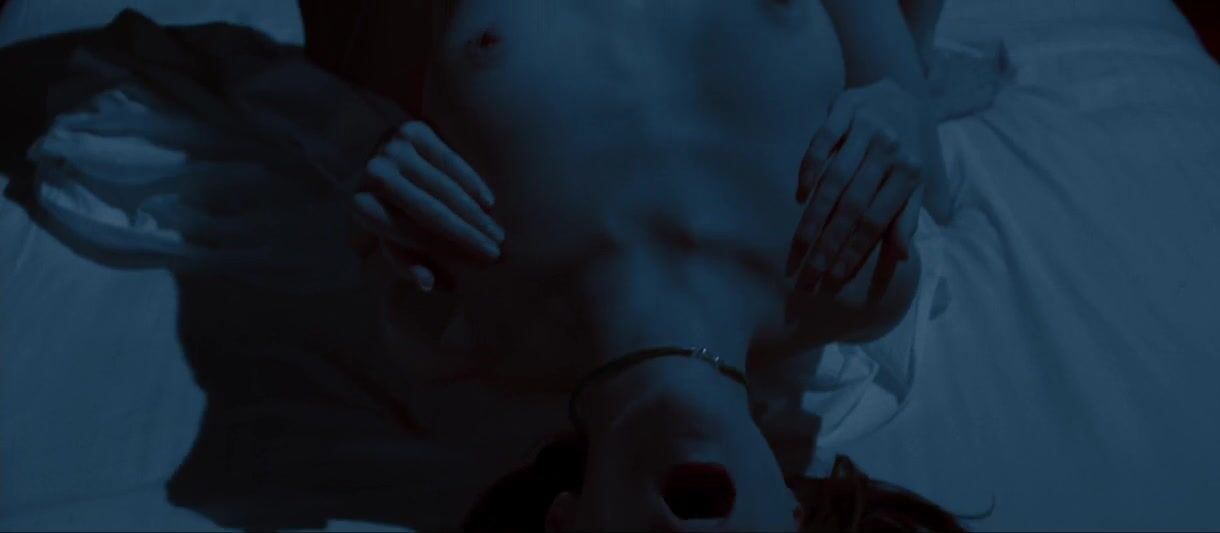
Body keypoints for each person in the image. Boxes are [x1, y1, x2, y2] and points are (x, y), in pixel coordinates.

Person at [296, 0, 972, 530]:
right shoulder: (859, 277)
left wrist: (372, 150)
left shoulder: (455, 321)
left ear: (564, 522)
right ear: (795, 517)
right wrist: (897, 101)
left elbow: (358, 66)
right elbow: (907, 126)